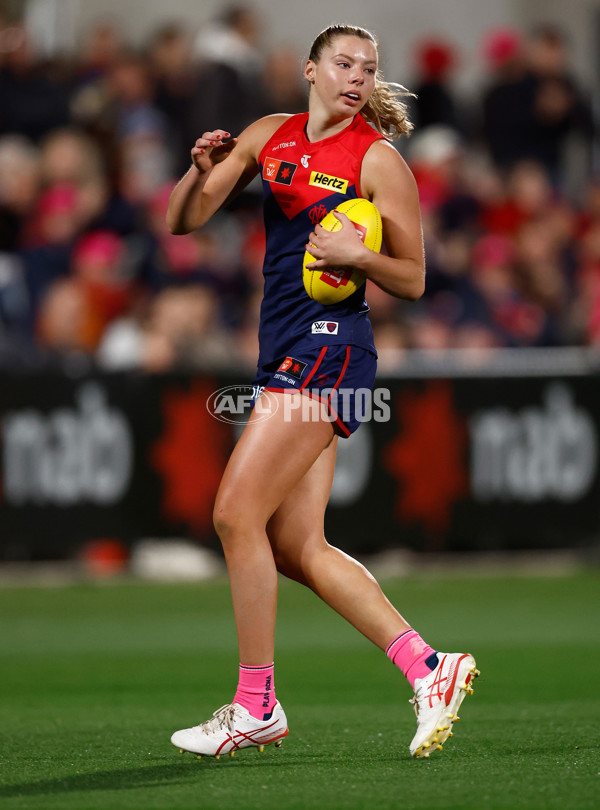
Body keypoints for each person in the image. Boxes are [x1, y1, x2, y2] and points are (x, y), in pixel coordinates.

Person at [166, 23, 479, 761]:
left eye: (368, 69)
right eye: (343, 63)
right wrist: (196, 170)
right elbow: (187, 222)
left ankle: (256, 704)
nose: (356, 77)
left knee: (235, 514)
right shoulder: (269, 135)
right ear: (310, 68)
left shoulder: (378, 159)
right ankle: (430, 669)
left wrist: (357, 254)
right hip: (282, 353)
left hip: (331, 352)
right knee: (295, 547)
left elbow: (415, 278)